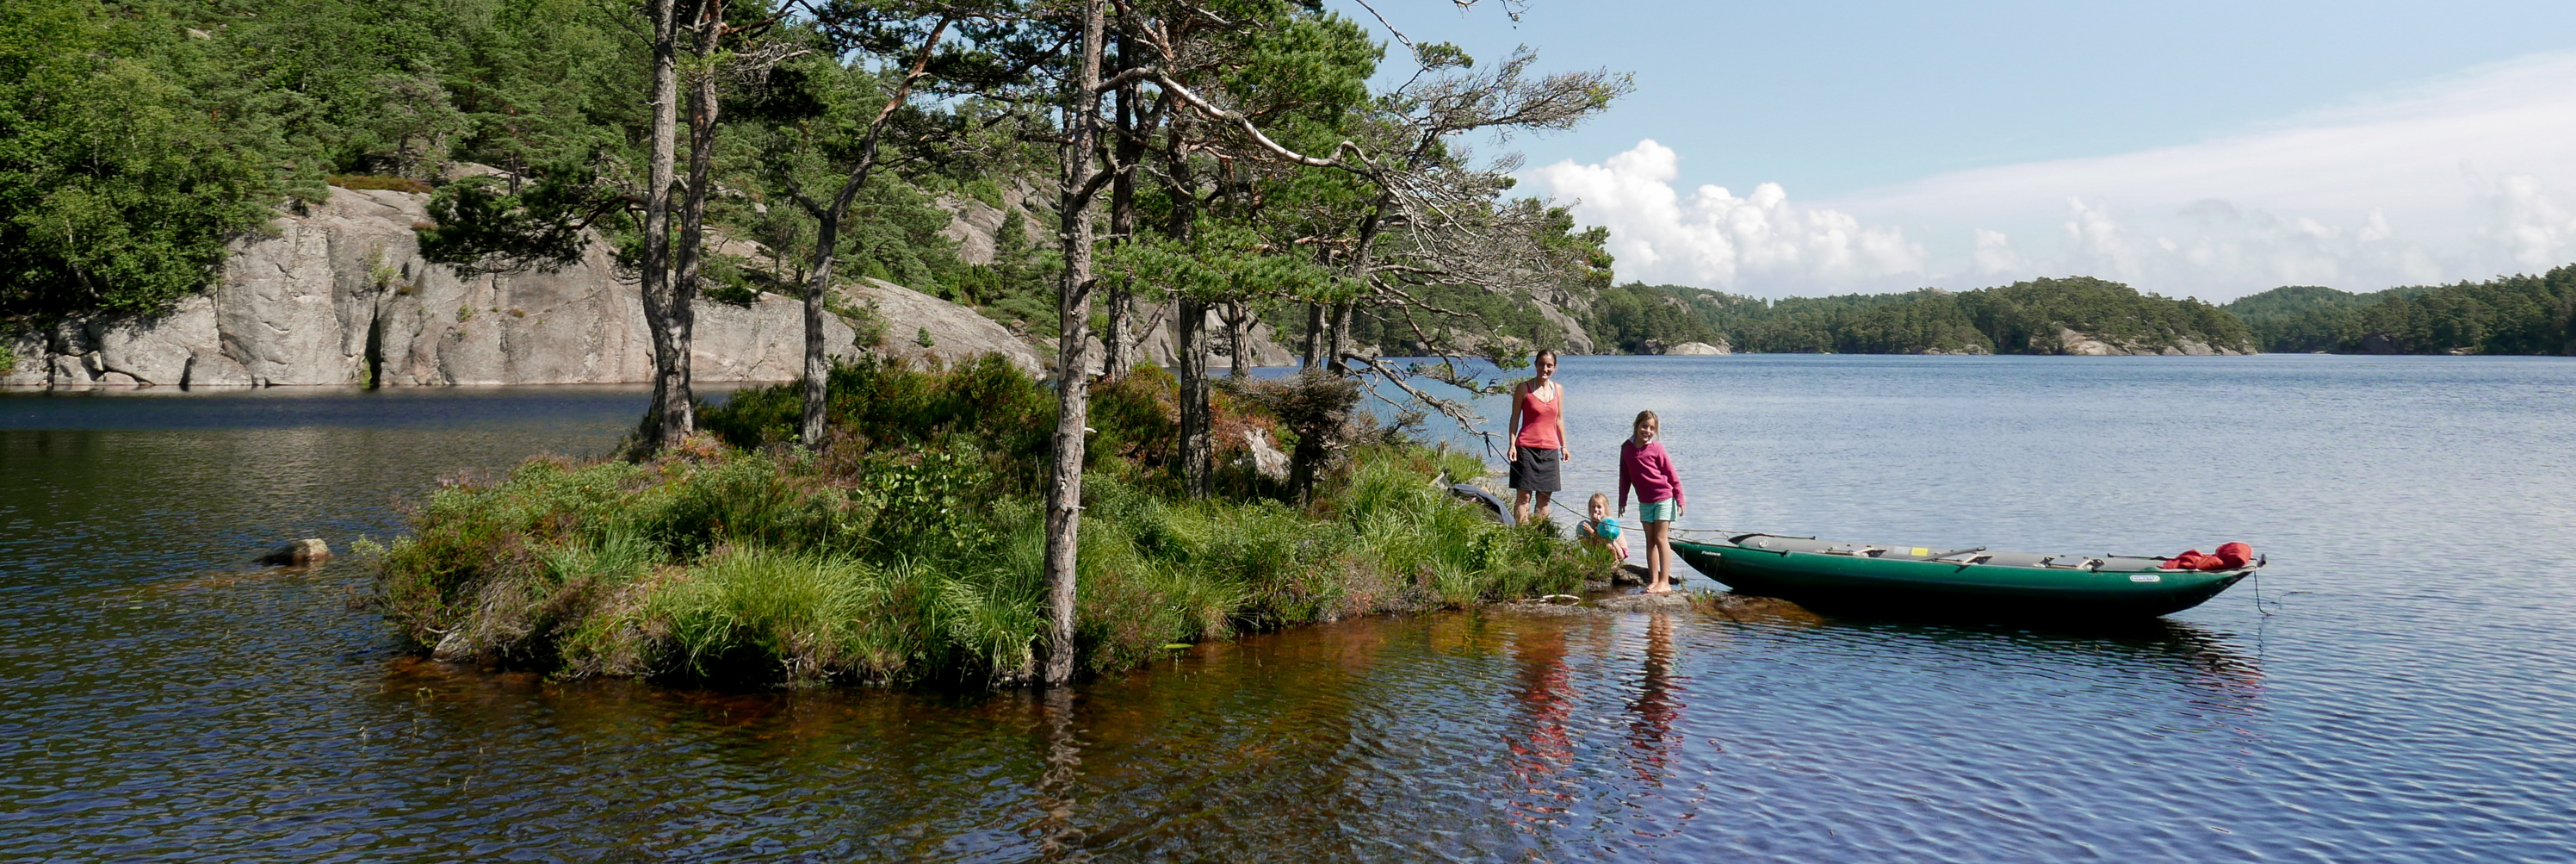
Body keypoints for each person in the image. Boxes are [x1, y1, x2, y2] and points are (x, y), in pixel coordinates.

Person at [1618, 409, 1686, 594]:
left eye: (1652, 428)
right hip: (1645, 502)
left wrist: (1680, 498)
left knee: (1660, 538)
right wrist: (1622, 501)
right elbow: (1625, 478)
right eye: (1644, 427)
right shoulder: (1626, 449)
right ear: (1636, 426)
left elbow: (1672, 475)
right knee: (1650, 541)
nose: (1647, 431)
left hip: (1664, 498)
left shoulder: (1657, 449)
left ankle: (1665, 582)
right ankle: (1654, 580)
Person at [1506, 349, 1569, 526]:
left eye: (1549, 365)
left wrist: (1564, 446)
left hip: (1549, 450)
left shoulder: (1558, 390)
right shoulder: (1523, 389)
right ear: (1535, 365)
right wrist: (1512, 445)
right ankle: (1522, 536)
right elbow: (1514, 418)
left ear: (1555, 368)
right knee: (1524, 496)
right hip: (1525, 448)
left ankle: (1536, 539)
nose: (1545, 369)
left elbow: (1559, 419)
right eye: (1541, 364)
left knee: (1544, 500)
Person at [1576, 492, 1630, 562]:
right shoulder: (1593, 522)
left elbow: (1605, 540)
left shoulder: (1609, 522)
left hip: (1619, 552)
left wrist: (1593, 531)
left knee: (1606, 539)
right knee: (1583, 530)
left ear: (1605, 508)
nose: (1596, 509)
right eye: (1593, 507)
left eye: (1599, 507)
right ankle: (1598, 556)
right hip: (1606, 546)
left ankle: (1615, 561)